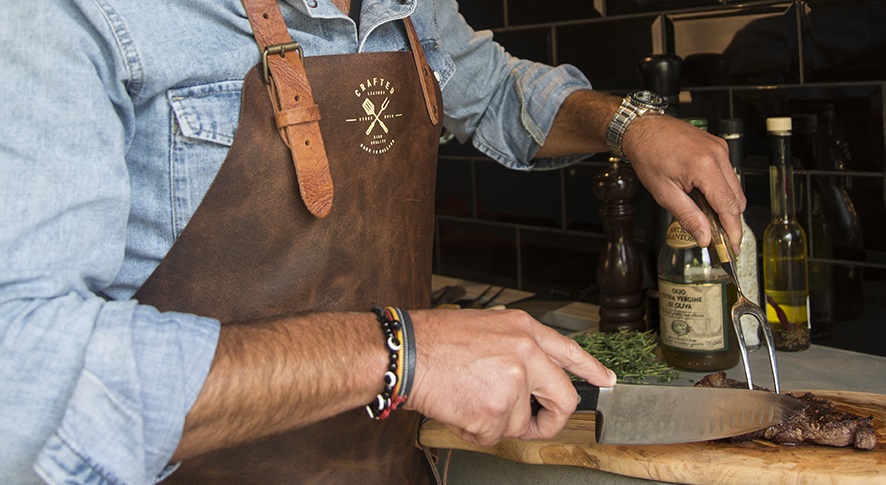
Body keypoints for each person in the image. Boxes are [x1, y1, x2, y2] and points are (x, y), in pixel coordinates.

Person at [0, 0, 745, 483]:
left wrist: (627, 123)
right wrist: (399, 353)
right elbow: (24, 376)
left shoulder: (408, 6)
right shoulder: (71, 16)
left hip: (392, 466)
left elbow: (495, 90)